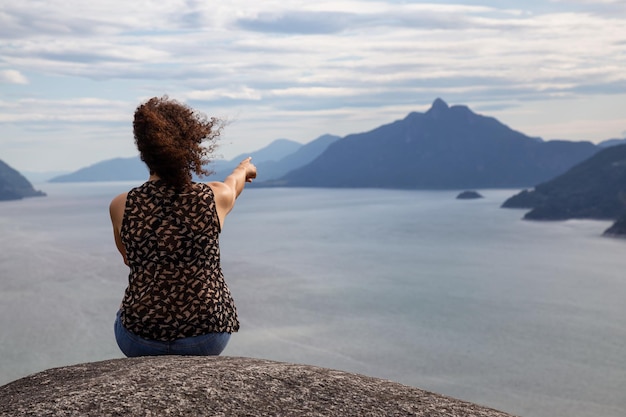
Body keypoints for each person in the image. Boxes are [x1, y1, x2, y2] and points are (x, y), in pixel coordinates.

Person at [109, 96, 256, 357]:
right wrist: (244, 169)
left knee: (127, 304)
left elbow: (129, 260)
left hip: (139, 340)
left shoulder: (122, 205)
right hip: (207, 337)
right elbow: (234, 184)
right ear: (192, 144)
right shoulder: (214, 196)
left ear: (144, 150)